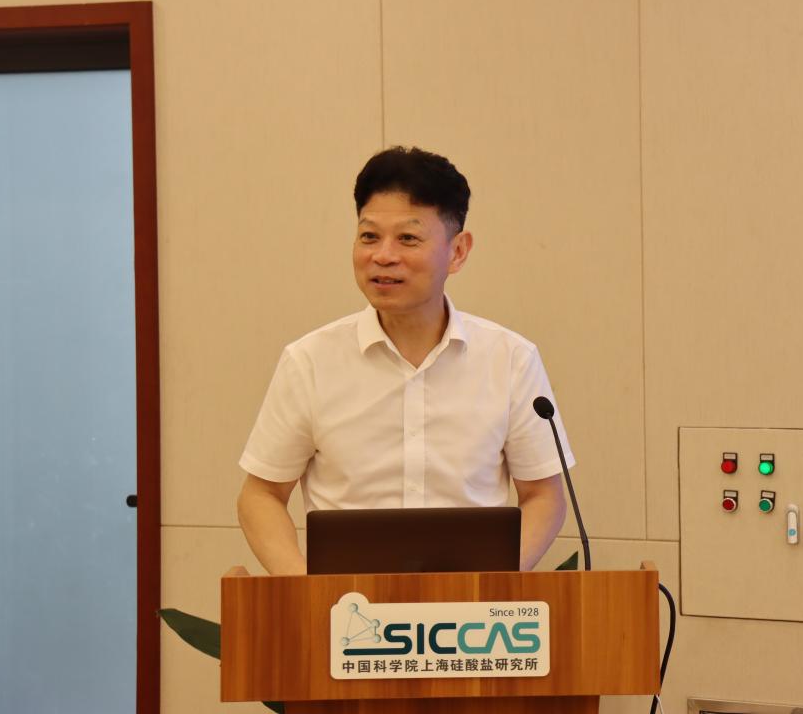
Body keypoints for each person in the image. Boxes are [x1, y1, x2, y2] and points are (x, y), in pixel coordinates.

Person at [236, 146, 573, 575]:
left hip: (472, 608)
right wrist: (307, 592)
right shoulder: (309, 362)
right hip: (346, 607)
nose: (383, 256)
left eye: (408, 239)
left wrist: (491, 584)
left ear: (458, 252)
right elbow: (261, 494)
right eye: (369, 236)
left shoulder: (510, 360)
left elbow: (543, 494)